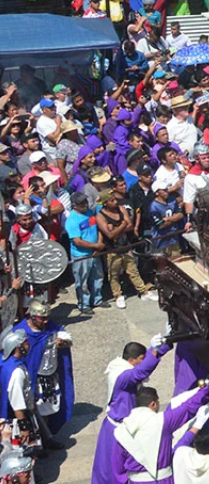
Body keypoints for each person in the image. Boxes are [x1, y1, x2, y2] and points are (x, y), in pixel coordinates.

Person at [96, 337, 173, 484]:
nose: (143, 361)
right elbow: (141, 371)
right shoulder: (122, 376)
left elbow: (143, 365)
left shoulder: (124, 366)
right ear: (132, 360)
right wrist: (155, 350)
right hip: (118, 430)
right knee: (114, 473)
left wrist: (166, 343)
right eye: (141, 359)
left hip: (128, 426)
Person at [114, 381, 209, 484]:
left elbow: (117, 467)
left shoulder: (121, 430)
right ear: (153, 404)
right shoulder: (163, 421)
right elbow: (188, 407)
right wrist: (206, 388)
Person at [12, 300, 72, 445]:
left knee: (46, 411)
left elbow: (66, 337)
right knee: (30, 412)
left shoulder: (49, 327)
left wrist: (63, 342)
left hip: (48, 376)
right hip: (29, 378)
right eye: (42, 318)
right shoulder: (20, 332)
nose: (46, 321)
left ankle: (46, 438)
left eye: (47, 318)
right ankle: (36, 443)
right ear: (32, 316)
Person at [65, 191, 104, 314]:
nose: (85, 205)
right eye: (81, 203)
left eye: (85, 202)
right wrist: (96, 245)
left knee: (98, 277)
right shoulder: (71, 220)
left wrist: (98, 247)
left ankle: (97, 299)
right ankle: (84, 304)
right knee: (82, 281)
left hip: (95, 253)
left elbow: (98, 229)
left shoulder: (90, 213)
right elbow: (77, 241)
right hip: (81, 255)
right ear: (75, 205)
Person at [0, 329, 36, 449]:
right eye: (25, 343)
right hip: (15, 421)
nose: (28, 345)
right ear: (17, 347)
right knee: (22, 456)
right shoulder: (16, 372)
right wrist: (24, 428)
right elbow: (17, 403)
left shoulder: (5, 362)